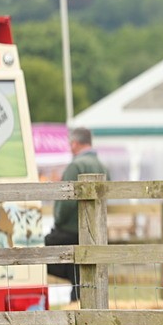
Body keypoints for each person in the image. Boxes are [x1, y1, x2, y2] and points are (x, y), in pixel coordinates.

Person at [44, 127, 109, 301]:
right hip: (94, 230)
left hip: (71, 229)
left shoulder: (76, 166)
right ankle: (79, 297)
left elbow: (66, 202)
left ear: (75, 143)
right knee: (80, 269)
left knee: (40, 253)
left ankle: (77, 297)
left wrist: (58, 220)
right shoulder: (102, 166)